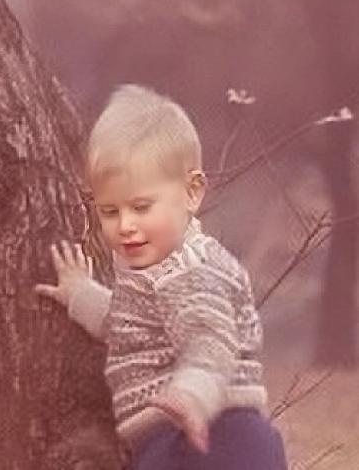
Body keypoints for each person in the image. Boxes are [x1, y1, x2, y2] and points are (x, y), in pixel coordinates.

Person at [35, 85, 288, 470]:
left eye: (141, 207)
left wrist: (191, 396)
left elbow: (211, 341)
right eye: (110, 212)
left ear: (192, 192)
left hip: (212, 437)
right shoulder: (154, 269)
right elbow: (129, 326)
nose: (125, 225)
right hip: (183, 439)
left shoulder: (190, 269)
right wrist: (80, 293)